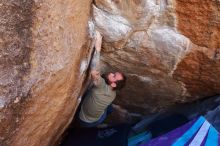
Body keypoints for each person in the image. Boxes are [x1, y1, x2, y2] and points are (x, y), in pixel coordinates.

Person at [78, 30, 127, 127]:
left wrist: (98, 49)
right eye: (114, 73)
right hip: (98, 119)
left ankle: (111, 110)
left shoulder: (101, 86)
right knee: (106, 107)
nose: (111, 73)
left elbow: (93, 72)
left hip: (83, 120)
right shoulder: (113, 94)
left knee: (89, 92)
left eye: (114, 76)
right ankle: (114, 108)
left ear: (113, 84)